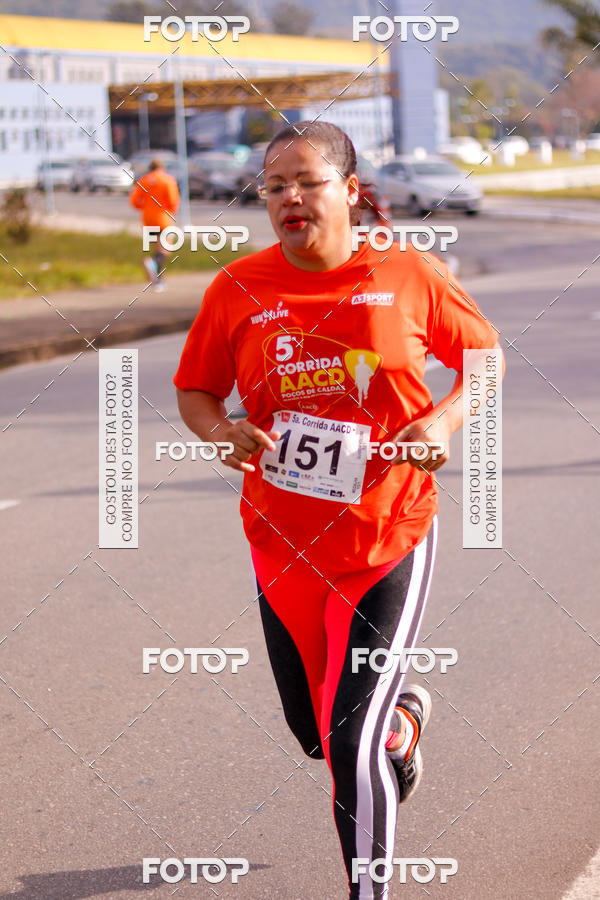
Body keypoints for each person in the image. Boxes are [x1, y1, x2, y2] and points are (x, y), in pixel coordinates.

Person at [174, 121, 503, 899]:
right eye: (276, 185)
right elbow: (194, 390)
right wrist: (221, 431)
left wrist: (443, 420)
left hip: (388, 533)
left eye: (309, 182)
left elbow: (483, 357)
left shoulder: (411, 274)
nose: (292, 197)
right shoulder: (238, 288)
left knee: (350, 745)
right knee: (317, 737)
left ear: (349, 192)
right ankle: (403, 723)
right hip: (281, 541)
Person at [129, 157, 179, 292]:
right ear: (162, 168)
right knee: (165, 249)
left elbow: (134, 201)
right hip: (163, 217)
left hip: (148, 219)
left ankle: (158, 280)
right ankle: (153, 265)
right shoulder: (167, 180)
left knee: (157, 248)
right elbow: (173, 201)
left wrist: (145, 207)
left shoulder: (143, 181)